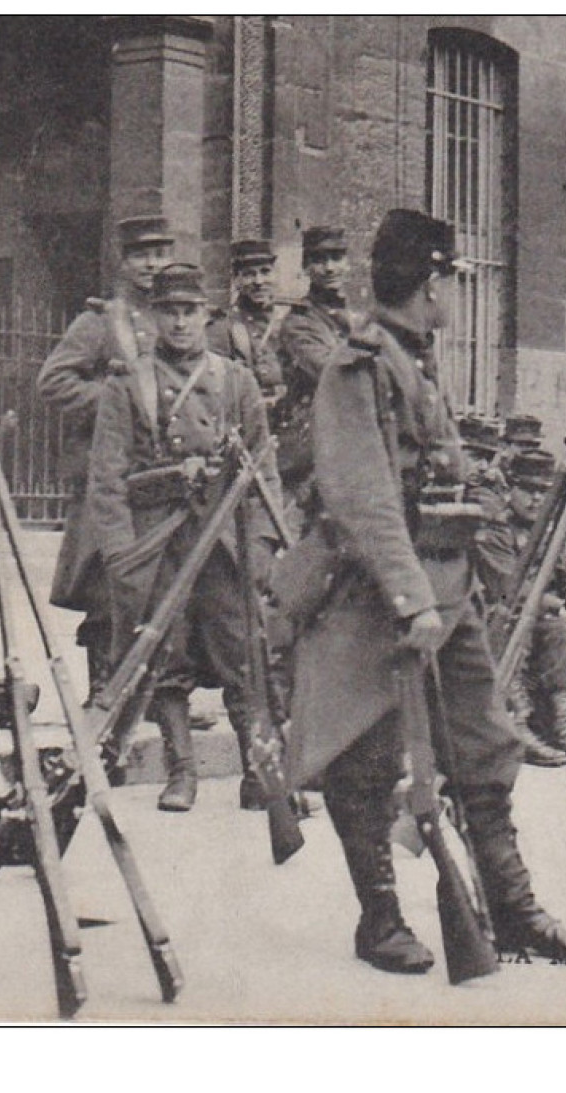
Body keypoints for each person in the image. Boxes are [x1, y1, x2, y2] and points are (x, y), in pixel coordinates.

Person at [287, 209, 566, 974]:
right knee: (362, 758)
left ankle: (512, 908)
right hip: (373, 594)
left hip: (446, 588)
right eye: (449, 282)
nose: (452, 298)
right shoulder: (357, 363)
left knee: (482, 745)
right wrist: (410, 598)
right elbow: (360, 493)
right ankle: (380, 919)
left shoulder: (411, 357)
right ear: (430, 285)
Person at [84, 263, 282, 812]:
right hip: (159, 541)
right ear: (153, 316)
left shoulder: (235, 380)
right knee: (164, 656)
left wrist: (262, 543)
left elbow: (264, 469)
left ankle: (259, 769)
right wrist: (123, 555)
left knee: (242, 650)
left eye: (190, 311)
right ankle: (182, 771)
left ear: (205, 316)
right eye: (169, 311)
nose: (179, 323)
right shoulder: (129, 384)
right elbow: (106, 478)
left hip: (223, 539)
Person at [37, 214, 173, 702]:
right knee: (105, 582)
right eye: (142, 255)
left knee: (161, 585)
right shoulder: (99, 321)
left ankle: (155, 692)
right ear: (124, 260)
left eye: (160, 253)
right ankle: (102, 686)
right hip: (109, 475)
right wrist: (114, 401)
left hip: (160, 475)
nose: (152, 265)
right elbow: (53, 381)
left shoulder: (174, 318)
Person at [472, 449, 566, 767]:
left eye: (544, 491)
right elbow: (508, 587)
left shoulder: (548, 530)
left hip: (538, 612)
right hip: (496, 612)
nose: (536, 499)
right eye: (528, 490)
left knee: (563, 633)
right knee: (519, 628)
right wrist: (559, 607)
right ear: (509, 489)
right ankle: (517, 725)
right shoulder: (494, 529)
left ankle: (563, 725)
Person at [277, 225, 369, 503]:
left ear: (347, 263)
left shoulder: (357, 320)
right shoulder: (298, 323)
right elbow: (334, 371)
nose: (329, 268)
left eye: (336, 258)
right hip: (312, 446)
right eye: (319, 260)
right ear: (306, 267)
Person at [207, 238, 287, 403]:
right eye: (249, 274)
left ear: (276, 275)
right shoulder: (224, 325)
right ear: (236, 279)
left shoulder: (289, 318)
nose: (258, 282)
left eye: (265, 272)